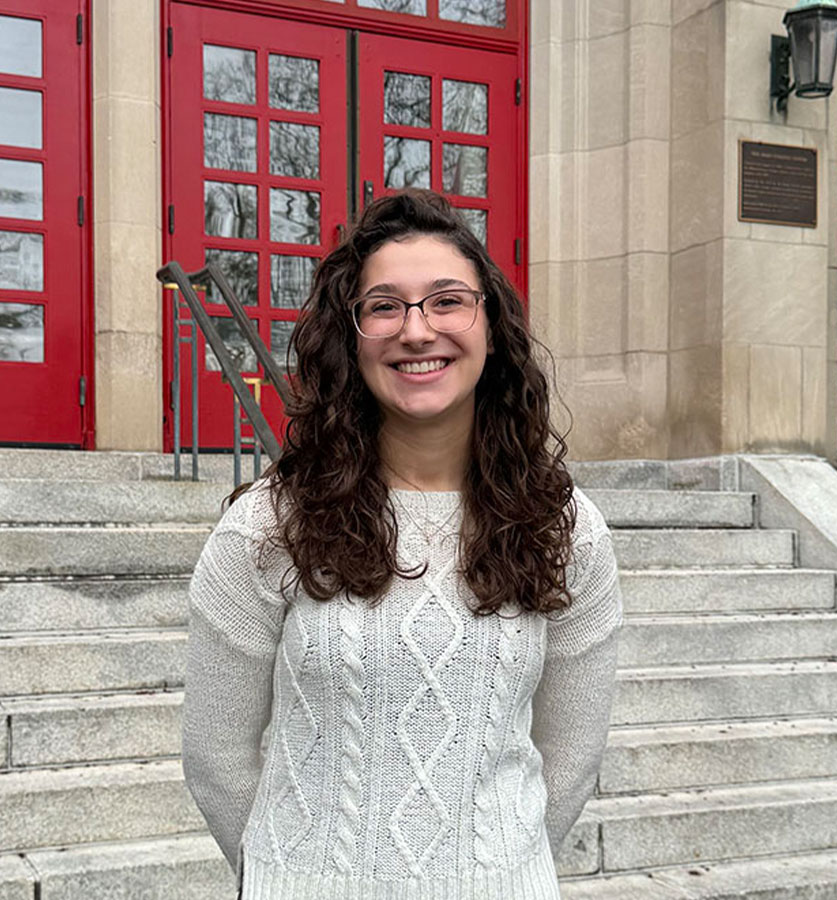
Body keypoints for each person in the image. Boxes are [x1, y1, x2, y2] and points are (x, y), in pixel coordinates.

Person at [181, 189, 623, 900]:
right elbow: (215, 755)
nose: (417, 331)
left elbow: (571, 758)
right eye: (384, 306)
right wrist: (293, 878)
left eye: (447, 301)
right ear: (348, 336)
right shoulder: (269, 527)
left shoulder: (564, 528)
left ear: (491, 324)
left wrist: (499, 872)